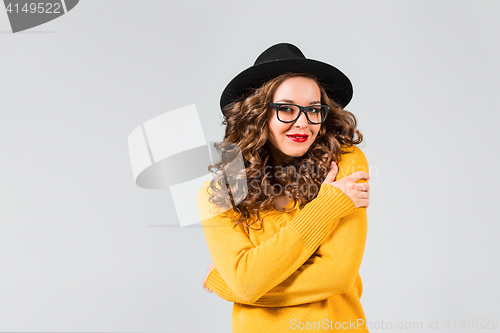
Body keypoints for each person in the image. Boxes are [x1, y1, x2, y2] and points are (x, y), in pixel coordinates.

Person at [197, 43, 371, 333]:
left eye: (314, 110)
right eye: (286, 109)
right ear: (256, 114)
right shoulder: (219, 194)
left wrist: (229, 285)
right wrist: (327, 207)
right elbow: (246, 283)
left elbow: (337, 276)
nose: (304, 123)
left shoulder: (344, 164)